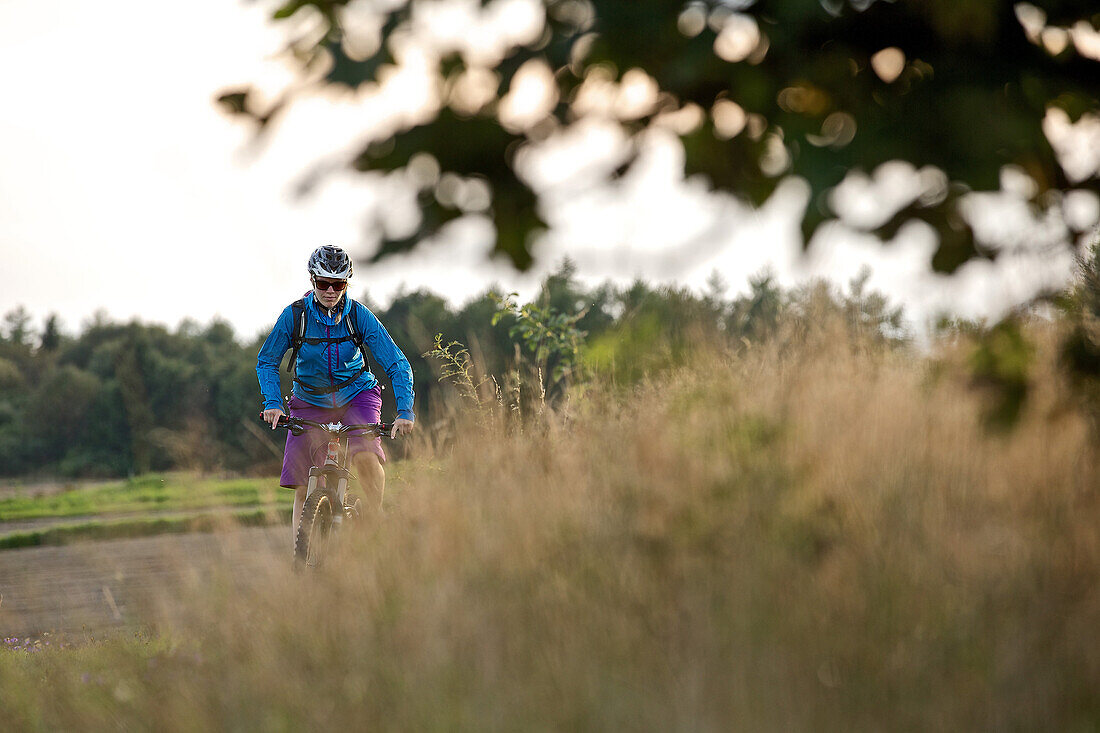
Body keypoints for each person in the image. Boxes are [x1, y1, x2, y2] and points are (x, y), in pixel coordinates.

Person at [256, 245, 414, 543]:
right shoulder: (295, 316)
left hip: (357, 394)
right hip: (309, 400)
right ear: (312, 280)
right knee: (304, 485)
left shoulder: (360, 316)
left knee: (366, 456)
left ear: (347, 283)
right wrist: (273, 403)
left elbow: (396, 363)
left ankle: (375, 516)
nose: (330, 290)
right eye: (323, 283)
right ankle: (299, 560)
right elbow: (266, 361)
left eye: (338, 284)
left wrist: (405, 411)